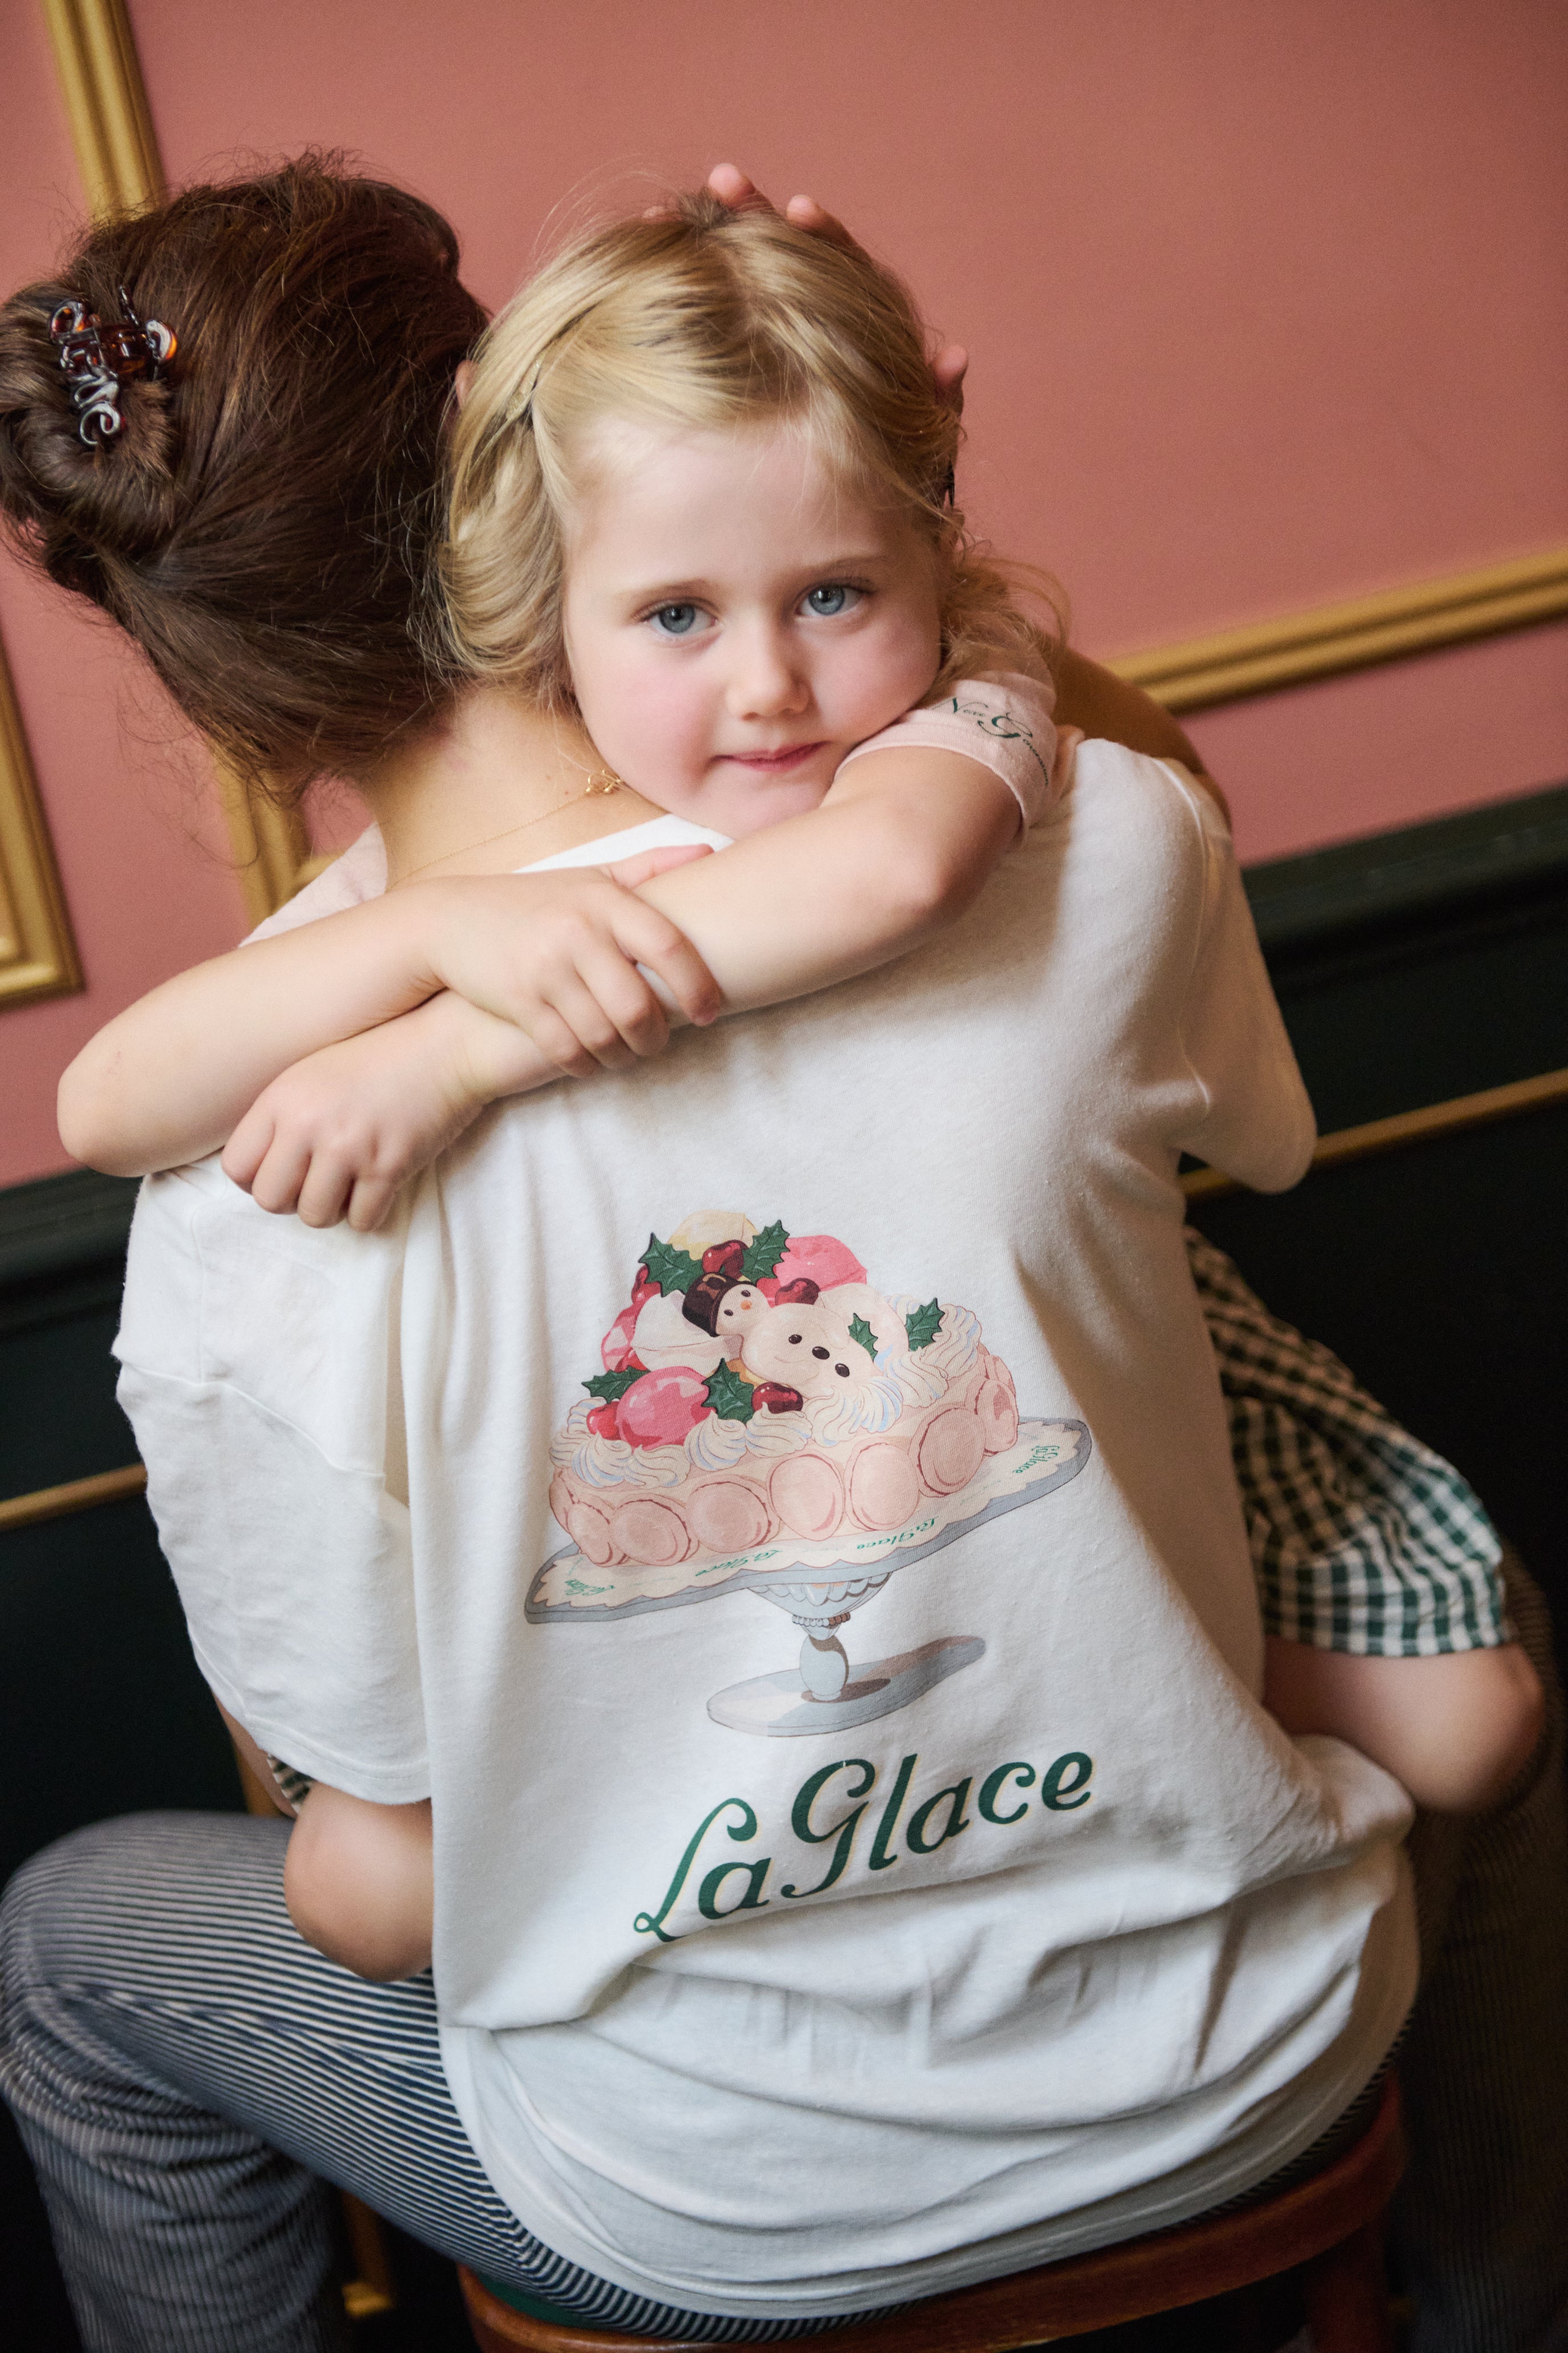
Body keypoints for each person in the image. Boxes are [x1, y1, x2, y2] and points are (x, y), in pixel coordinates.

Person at [0, 160, 1558, 2353]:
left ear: (194, 648)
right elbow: (1110, 787)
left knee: (75, 1941)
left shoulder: (259, 1169)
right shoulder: (1088, 839)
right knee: (1463, 1620)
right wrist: (891, 498)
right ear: (529, 456)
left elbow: (396, 1884)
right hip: (1254, 2059)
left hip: (715, 2212)